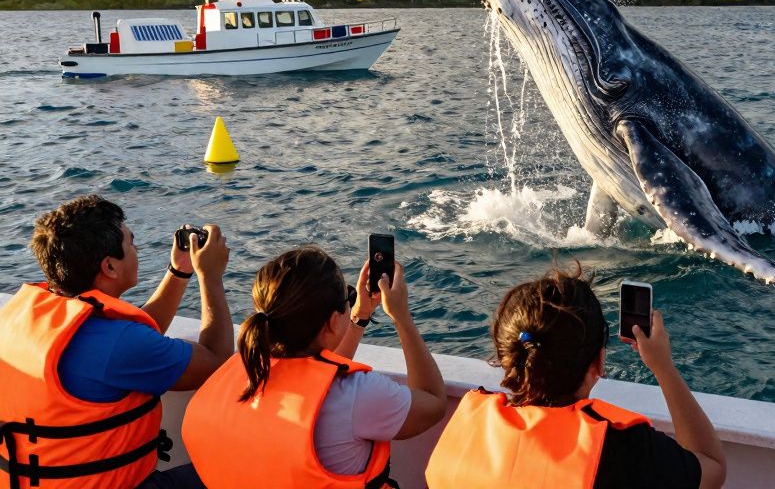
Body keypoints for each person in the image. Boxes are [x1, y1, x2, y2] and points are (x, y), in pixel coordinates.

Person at [0, 195, 233, 489]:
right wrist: (210, 276)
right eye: (131, 243)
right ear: (109, 267)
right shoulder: (119, 345)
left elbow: (130, 344)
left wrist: (180, 271)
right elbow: (216, 362)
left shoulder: (21, 319)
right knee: (241, 467)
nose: (137, 250)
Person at [425, 265, 727, 489]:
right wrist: (664, 367)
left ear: (507, 355)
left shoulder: (469, 424)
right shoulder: (621, 446)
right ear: (599, 361)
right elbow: (712, 467)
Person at [181, 246, 447, 488]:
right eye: (348, 298)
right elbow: (433, 402)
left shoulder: (239, 371)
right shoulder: (360, 394)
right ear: (332, 322)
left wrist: (358, 317)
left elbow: (316, 376)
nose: (351, 303)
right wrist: (402, 318)